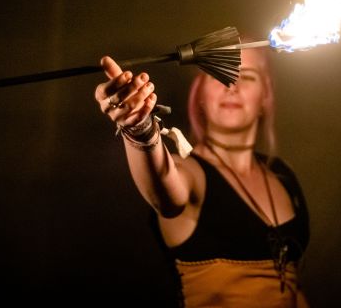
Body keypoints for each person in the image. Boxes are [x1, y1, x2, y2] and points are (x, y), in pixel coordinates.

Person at [95, 46, 310, 307]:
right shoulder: (189, 172)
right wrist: (139, 128)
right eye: (220, 74)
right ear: (200, 94)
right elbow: (166, 193)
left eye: (248, 76)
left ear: (265, 95)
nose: (232, 86)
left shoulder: (282, 173)